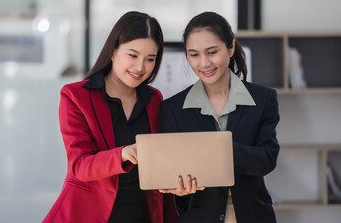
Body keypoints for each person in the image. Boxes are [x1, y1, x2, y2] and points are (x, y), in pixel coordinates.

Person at [43, 11, 165, 223]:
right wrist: (123, 154)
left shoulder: (154, 99)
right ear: (113, 51)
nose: (140, 67)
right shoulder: (76, 96)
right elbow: (79, 166)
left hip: (138, 215)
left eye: (150, 59)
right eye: (133, 55)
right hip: (86, 215)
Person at [159, 12, 280, 223]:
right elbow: (174, 171)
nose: (204, 63)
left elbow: (267, 159)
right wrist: (179, 189)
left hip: (252, 216)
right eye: (194, 54)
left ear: (231, 47)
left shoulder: (263, 99)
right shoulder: (172, 109)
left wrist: (219, 148)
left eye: (212, 52)